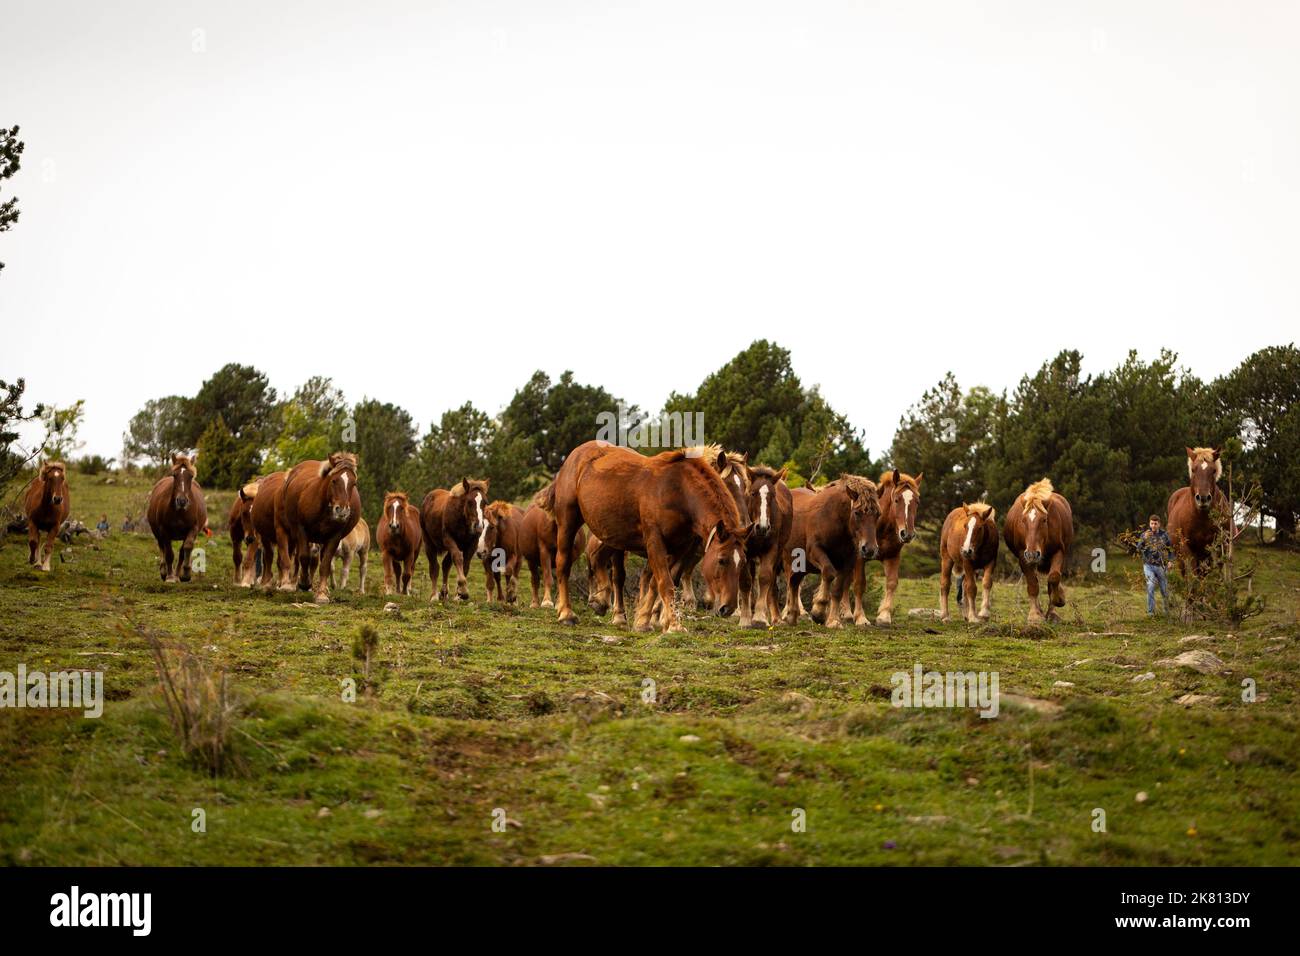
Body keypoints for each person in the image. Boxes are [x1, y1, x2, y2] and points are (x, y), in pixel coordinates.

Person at [1138, 514, 1172, 615]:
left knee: (1164, 589)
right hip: (1148, 565)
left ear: (1159, 524)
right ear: (1149, 523)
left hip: (1161, 565)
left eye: (1155, 524)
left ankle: (1167, 612)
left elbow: (1170, 549)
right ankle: (1150, 612)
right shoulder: (1145, 534)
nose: (1153, 525)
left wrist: (1170, 561)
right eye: (1152, 523)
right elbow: (1138, 548)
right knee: (1151, 585)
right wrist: (1144, 539)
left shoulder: (1164, 535)